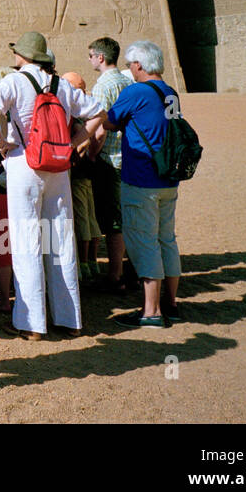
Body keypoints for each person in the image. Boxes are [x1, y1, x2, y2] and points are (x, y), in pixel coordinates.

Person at [0, 31, 104, 341]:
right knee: (61, 239)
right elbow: (97, 113)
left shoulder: (15, 81)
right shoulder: (61, 84)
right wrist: (74, 143)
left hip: (24, 163)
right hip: (58, 166)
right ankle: (69, 318)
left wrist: (0, 142)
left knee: (26, 241)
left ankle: (31, 322)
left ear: (23, 56)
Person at [101, 41, 182, 327]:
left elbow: (109, 122)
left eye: (131, 64)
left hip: (141, 178)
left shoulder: (136, 91)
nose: (130, 69)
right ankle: (171, 303)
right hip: (168, 177)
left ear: (140, 64)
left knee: (144, 242)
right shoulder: (169, 92)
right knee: (166, 240)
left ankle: (151, 310)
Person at [87, 36, 134, 294]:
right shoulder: (128, 81)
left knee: (113, 221)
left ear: (101, 57)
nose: (91, 59)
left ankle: (115, 275)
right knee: (127, 216)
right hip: (129, 158)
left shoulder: (103, 86)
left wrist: (92, 154)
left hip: (110, 159)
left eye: (92, 55)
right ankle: (132, 268)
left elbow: (99, 128)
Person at [62, 70, 102, 280]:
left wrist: (72, 148)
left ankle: (85, 262)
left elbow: (86, 138)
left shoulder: (75, 110)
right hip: (88, 168)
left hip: (77, 170)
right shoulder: (86, 106)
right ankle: (93, 261)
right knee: (90, 214)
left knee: (81, 217)